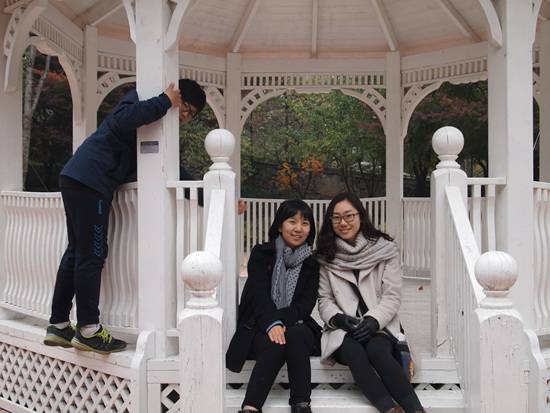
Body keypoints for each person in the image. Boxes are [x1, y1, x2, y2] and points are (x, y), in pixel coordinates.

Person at [43, 79, 207, 354]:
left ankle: (58, 324)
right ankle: (88, 329)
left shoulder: (157, 125)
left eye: (191, 115)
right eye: (185, 107)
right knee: (92, 254)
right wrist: (164, 101)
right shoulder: (139, 100)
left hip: (78, 177)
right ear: (177, 97)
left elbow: (173, 170)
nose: (185, 117)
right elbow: (121, 119)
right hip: (91, 181)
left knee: (76, 252)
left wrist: (207, 196)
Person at [315, 192, 426, 413]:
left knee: (377, 350)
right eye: (336, 217)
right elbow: (324, 299)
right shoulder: (325, 256)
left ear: (360, 216)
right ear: (330, 221)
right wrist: (338, 318)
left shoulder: (384, 249)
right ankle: (389, 409)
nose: (343, 223)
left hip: (380, 325)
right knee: (353, 351)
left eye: (349, 215)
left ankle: (416, 409)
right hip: (343, 330)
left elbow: (392, 295)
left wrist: (374, 320)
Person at [226, 199, 321, 413]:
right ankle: (250, 408)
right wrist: (271, 323)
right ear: (280, 225)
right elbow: (258, 293)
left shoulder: (312, 264)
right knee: (275, 345)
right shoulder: (262, 253)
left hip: (296, 322)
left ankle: (301, 405)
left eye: (305, 223)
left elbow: (306, 304)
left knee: (297, 334)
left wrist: (280, 322)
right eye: (292, 221)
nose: (298, 228)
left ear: (310, 229)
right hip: (259, 323)